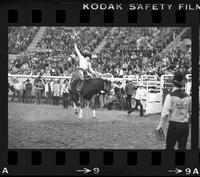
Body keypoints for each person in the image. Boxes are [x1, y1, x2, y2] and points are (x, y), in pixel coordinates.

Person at [156, 71, 191, 150]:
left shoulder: (170, 96)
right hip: (185, 125)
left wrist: (160, 125)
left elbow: (165, 113)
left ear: (173, 83)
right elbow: (189, 112)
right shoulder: (188, 97)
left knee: (170, 147)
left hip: (174, 125)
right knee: (182, 147)